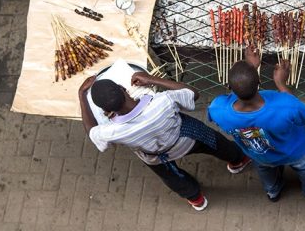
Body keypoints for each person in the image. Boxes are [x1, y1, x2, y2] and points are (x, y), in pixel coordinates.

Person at [78, 71, 251, 211]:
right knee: (215, 142)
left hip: (156, 156)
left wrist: (82, 96)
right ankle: (238, 160)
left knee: (170, 176)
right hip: (187, 138)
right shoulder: (161, 101)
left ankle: (196, 198)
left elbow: (92, 131)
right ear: (124, 88)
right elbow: (192, 93)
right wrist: (151, 79)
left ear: (105, 111)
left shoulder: (111, 131)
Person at [207, 51, 305, 207]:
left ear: (229, 87)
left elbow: (236, 92)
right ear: (260, 82)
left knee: (265, 171)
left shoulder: (218, 109)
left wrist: (249, 70)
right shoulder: (284, 105)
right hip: (296, 151)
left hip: (260, 155)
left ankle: (273, 192)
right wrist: (281, 84)